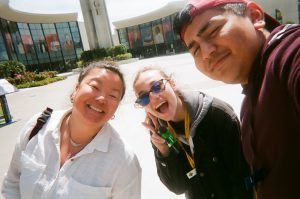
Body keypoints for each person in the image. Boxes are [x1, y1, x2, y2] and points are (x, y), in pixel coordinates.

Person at [173, 0, 300, 198]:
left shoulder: (289, 55)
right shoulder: (250, 95)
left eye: (213, 31)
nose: (206, 53)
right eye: (195, 49)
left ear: (254, 16)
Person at [1, 61, 142, 199]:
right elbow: (13, 182)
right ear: (76, 89)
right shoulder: (37, 126)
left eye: (113, 95)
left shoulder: (123, 161)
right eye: (94, 86)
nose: (101, 98)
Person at [133, 67, 253, 199]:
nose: (153, 97)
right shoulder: (159, 132)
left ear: (172, 84)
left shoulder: (218, 115)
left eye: (157, 86)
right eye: (144, 97)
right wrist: (164, 152)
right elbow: (178, 187)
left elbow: (242, 177)